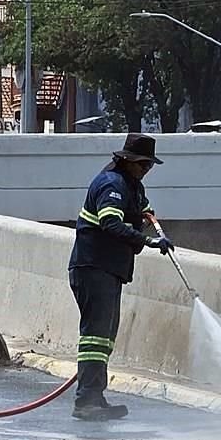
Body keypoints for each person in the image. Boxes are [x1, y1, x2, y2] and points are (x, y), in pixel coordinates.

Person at [68, 133, 174, 421]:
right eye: (142, 165)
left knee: (104, 338)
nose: (146, 170)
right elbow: (110, 222)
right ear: (127, 160)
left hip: (108, 270)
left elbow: (139, 207)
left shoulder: (131, 185)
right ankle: (85, 401)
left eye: (149, 166)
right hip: (93, 268)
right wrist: (148, 241)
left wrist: (146, 214)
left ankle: (95, 398)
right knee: (94, 337)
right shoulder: (111, 185)